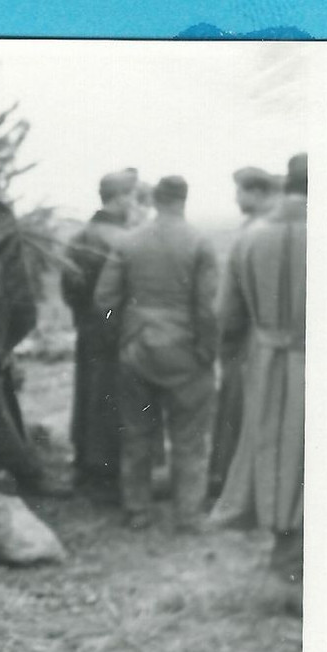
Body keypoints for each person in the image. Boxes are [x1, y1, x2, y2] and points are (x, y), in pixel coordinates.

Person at [94, 176, 219, 532]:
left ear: (155, 200)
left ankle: (137, 510)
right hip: (185, 352)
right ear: (184, 199)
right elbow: (207, 308)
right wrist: (207, 351)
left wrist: (121, 337)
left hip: (136, 348)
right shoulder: (200, 241)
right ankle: (189, 515)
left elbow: (104, 300)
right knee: (189, 438)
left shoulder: (128, 240)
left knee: (136, 433)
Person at [210, 155, 307, 609]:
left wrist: (236, 359)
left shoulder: (251, 238)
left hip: (268, 362)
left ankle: (285, 563)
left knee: (276, 452)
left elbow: (227, 317)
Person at [61, 169, 136, 496]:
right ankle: (108, 473)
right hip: (116, 330)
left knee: (87, 395)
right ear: (119, 198)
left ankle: (84, 465)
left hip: (87, 328)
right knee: (113, 400)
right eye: (130, 196)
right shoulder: (123, 239)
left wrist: (84, 316)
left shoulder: (78, 237)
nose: (132, 202)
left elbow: (68, 289)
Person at [208, 166, 282, 496]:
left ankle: (232, 485)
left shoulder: (254, 232)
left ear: (257, 193)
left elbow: (229, 308)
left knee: (238, 412)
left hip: (252, 340)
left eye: (239, 191)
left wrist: (222, 339)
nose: (236, 198)